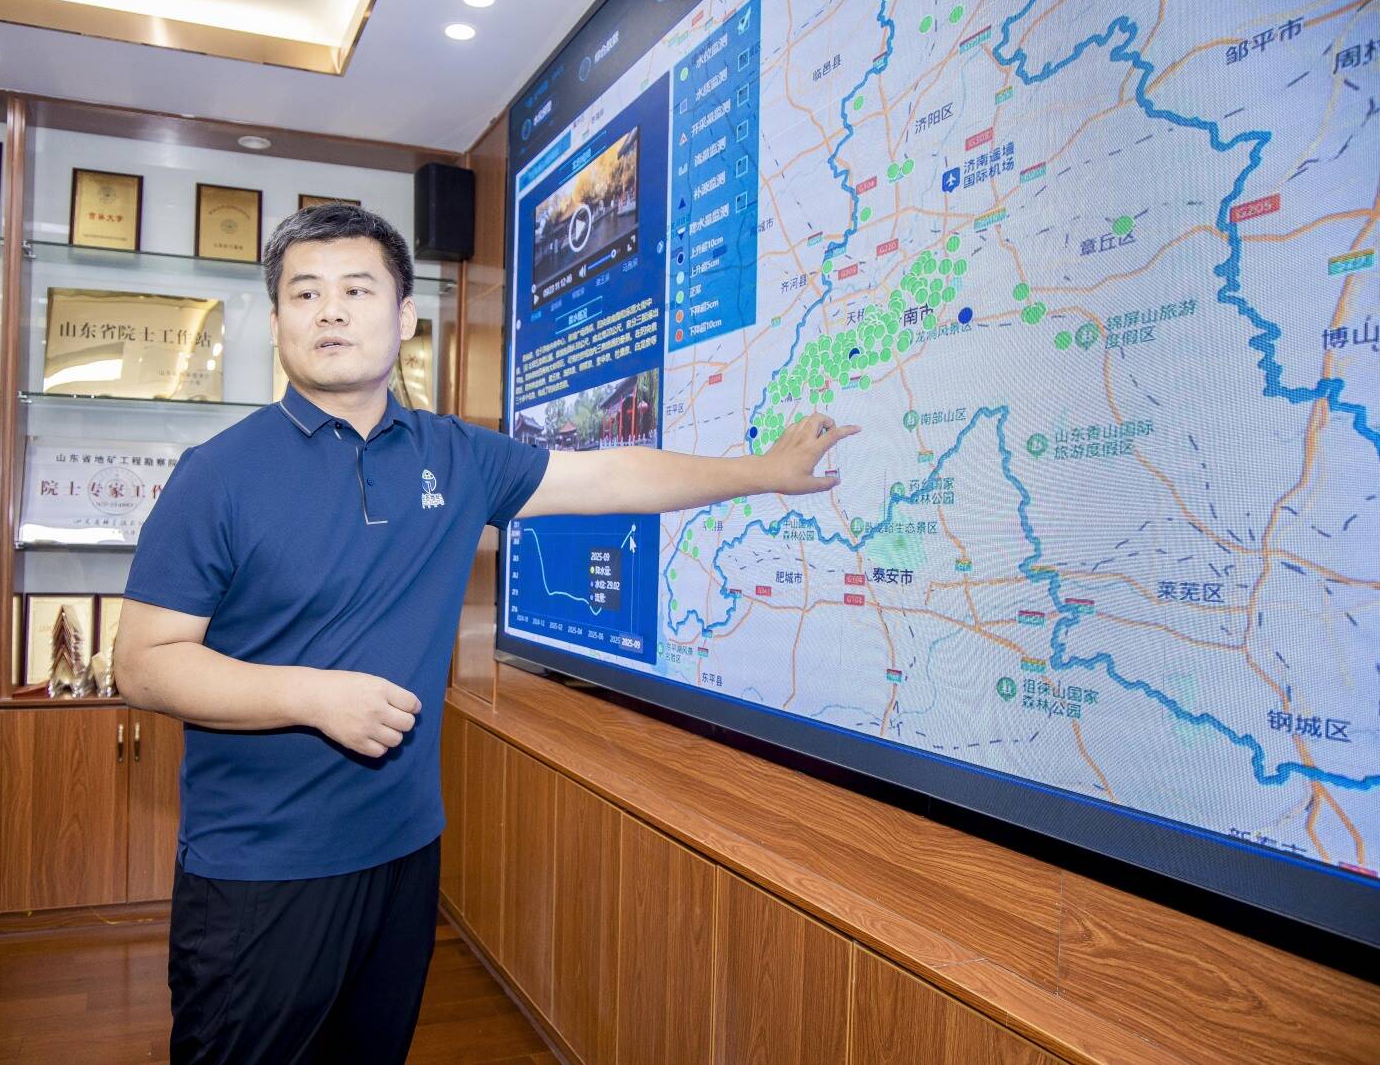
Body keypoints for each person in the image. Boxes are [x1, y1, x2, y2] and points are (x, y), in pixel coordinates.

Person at [114, 203, 859, 1063]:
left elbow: (613, 476)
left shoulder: (457, 457)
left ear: (404, 316)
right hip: (258, 872)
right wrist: (311, 696)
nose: (330, 311)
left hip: (402, 855)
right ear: (277, 319)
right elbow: (144, 664)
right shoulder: (217, 474)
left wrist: (761, 471)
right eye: (305, 293)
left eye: (357, 289)